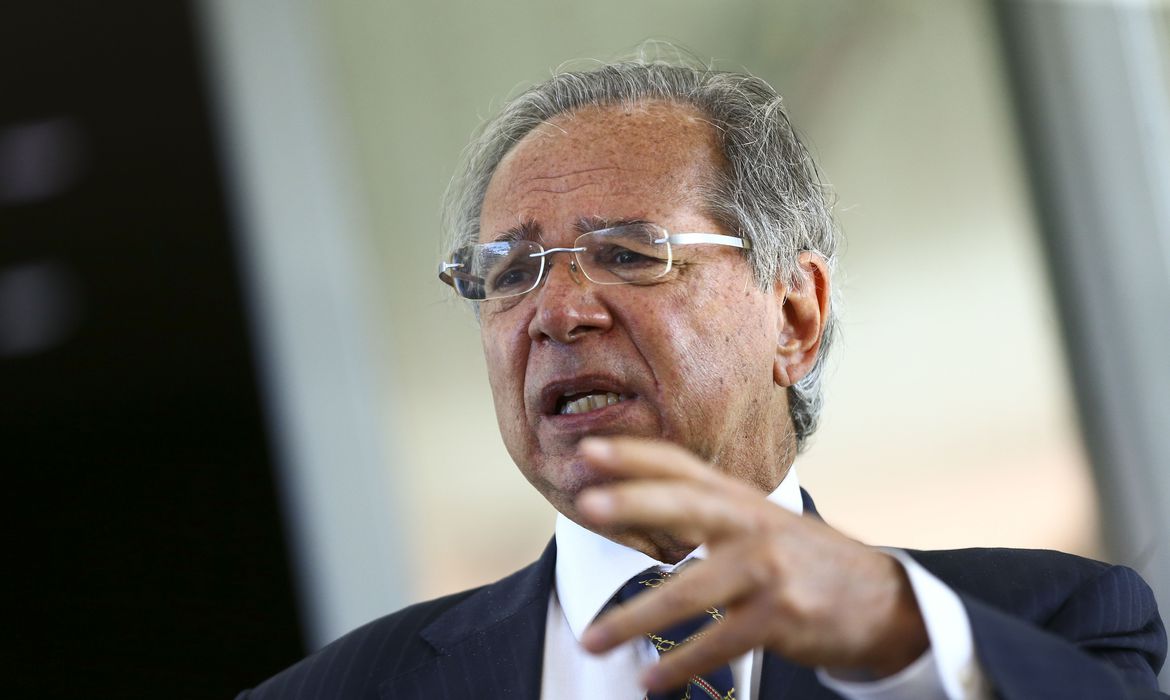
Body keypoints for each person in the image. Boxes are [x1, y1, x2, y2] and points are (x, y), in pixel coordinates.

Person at [239, 50, 1166, 699]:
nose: (557, 312)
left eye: (628, 254)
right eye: (510, 272)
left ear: (795, 314)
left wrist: (901, 642)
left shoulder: (1044, 625)